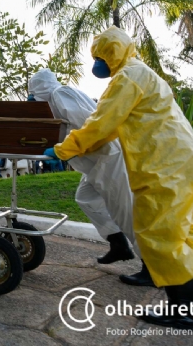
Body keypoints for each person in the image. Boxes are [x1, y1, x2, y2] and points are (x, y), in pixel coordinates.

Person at [48, 26, 193, 329]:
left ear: (114, 53)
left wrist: (63, 149)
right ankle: (183, 308)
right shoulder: (141, 73)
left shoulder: (127, 78)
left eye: (101, 56)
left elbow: (101, 123)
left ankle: (183, 312)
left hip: (164, 165)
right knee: (189, 234)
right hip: (180, 161)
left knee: (162, 235)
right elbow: (113, 126)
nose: (97, 64)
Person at [28, 69, 148, 283]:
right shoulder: (55, 101)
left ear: (42, 88)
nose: (31, 99)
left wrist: (61, 150)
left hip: (110, 158)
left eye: (33, 93)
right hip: (98, 162)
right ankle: (118, 243)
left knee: (127, 213)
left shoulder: (59, 94)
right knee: (86, 198)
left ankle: (153, 269)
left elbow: (89, 127)